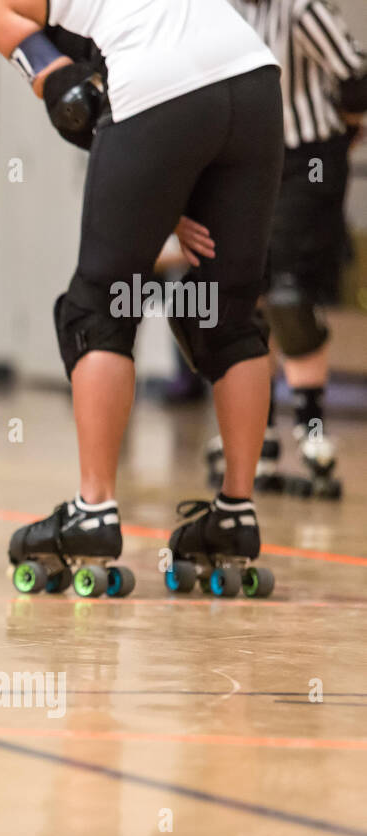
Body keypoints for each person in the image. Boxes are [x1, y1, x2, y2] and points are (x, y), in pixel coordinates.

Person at [0, 0, 283, 599]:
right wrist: (178, 183)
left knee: (98, 309)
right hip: (253, 77)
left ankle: (94, 510)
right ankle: (236, 513)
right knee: (227, 312)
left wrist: (162, 181)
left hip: (158, 83)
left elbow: (71, 101)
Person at [204, 0, 367, 499]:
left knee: (290, 299)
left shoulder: (302, 8)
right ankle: (263, 432)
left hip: (308, 162)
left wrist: (342, 138)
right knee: (245, 295)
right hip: (247, 159)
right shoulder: (222, 10)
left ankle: (312, 430)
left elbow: (358, 76)